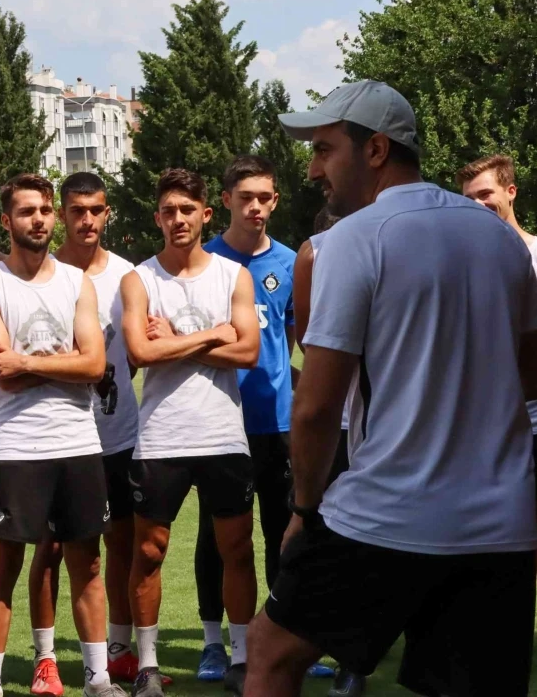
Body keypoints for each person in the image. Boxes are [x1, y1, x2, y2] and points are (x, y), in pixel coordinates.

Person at [243, 80, 537, 697]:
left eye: (325, 149)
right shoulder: (497, 237)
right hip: (499, 527)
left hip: (386, 515)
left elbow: (314, 410)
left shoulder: (353, 241)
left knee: (270, 653)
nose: (313, 168)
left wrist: (304, 512)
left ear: (377, 149)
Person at [0, 173, 125, 697]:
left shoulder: (75, 283)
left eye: (45, 210)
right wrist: (68, 363)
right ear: (6, 221)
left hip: (78, 445)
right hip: (15, 448)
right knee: (4, 565)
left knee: (89, 564)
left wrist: (30, 360)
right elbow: (2, 373)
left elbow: (97, 364)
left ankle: (98, 678)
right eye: (27, 211)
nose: (39, 219)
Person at [194, 155, 333, 681]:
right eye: (246, 197)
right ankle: (215, 644)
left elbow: (304, 344)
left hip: (277, 425)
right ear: (225, 200)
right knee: (218, 538)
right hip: (218, 423)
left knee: (284, 534)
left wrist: (309, 395)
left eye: (265, 198)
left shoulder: (288, 263)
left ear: (275, 200)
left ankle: (287, 640)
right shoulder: (203, 261)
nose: (256, 206)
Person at [121, 169, 259, 697]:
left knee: (237, 550)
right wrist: (211, 334)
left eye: (187, 209)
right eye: (168, 211)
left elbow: (246, 352)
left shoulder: (233, 277)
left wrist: (177, 338)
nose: (177, 219)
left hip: (224, 436)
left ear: (206, 213)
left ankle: (242, 657)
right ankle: (149, 665)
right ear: (157, 217)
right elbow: (140, 352)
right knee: (149, 552)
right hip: (162, 438)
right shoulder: (140, 279)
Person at [26, 172, 151, 695]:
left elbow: (132, 359)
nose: (86, 221)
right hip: (56, 440)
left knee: (120, 544)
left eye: (96, 210)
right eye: (76, 211)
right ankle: (46, 658)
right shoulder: (40, 273)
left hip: (117, 436)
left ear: (107, 213)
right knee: (50, 550)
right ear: (62, 214)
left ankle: (117, 654)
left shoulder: (127, 277)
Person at [458, 154, 537, 661]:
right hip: (476, 423)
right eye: (470, 197)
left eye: (486, 194)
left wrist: (535, 386)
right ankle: (482, 628)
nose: (479, 204)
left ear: (511, 192)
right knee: (478, 523)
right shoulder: (459, 261)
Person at [292, 210, 364, 696]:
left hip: (378, 423)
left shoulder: (392, 243)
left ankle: (355, 656)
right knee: (323, 536)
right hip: (334, 417)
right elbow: (307, 336)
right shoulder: (314, 250)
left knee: (366, 540)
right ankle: (318, 642)